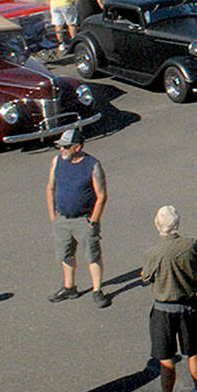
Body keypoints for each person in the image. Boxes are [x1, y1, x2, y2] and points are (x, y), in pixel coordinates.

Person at [138, 206, 197, 392]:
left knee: (166, 358)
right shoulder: (191, 244)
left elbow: (145, 277)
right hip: (189, 305)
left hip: (164, 310)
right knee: (193, 350)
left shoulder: (154, 253)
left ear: (158, 225)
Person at [45, 128, 111, 307]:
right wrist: (53, 216)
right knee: (66, 254)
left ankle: (97, 290)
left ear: (77, 147)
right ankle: (69, 287)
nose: (61, 150)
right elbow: (50, 188)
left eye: (66, 147)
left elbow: (102, 195)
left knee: (93, 256)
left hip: (84, 220)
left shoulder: (92, 165)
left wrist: (94, 220)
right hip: (62, 219)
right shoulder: (57, 162)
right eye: (60, 146)